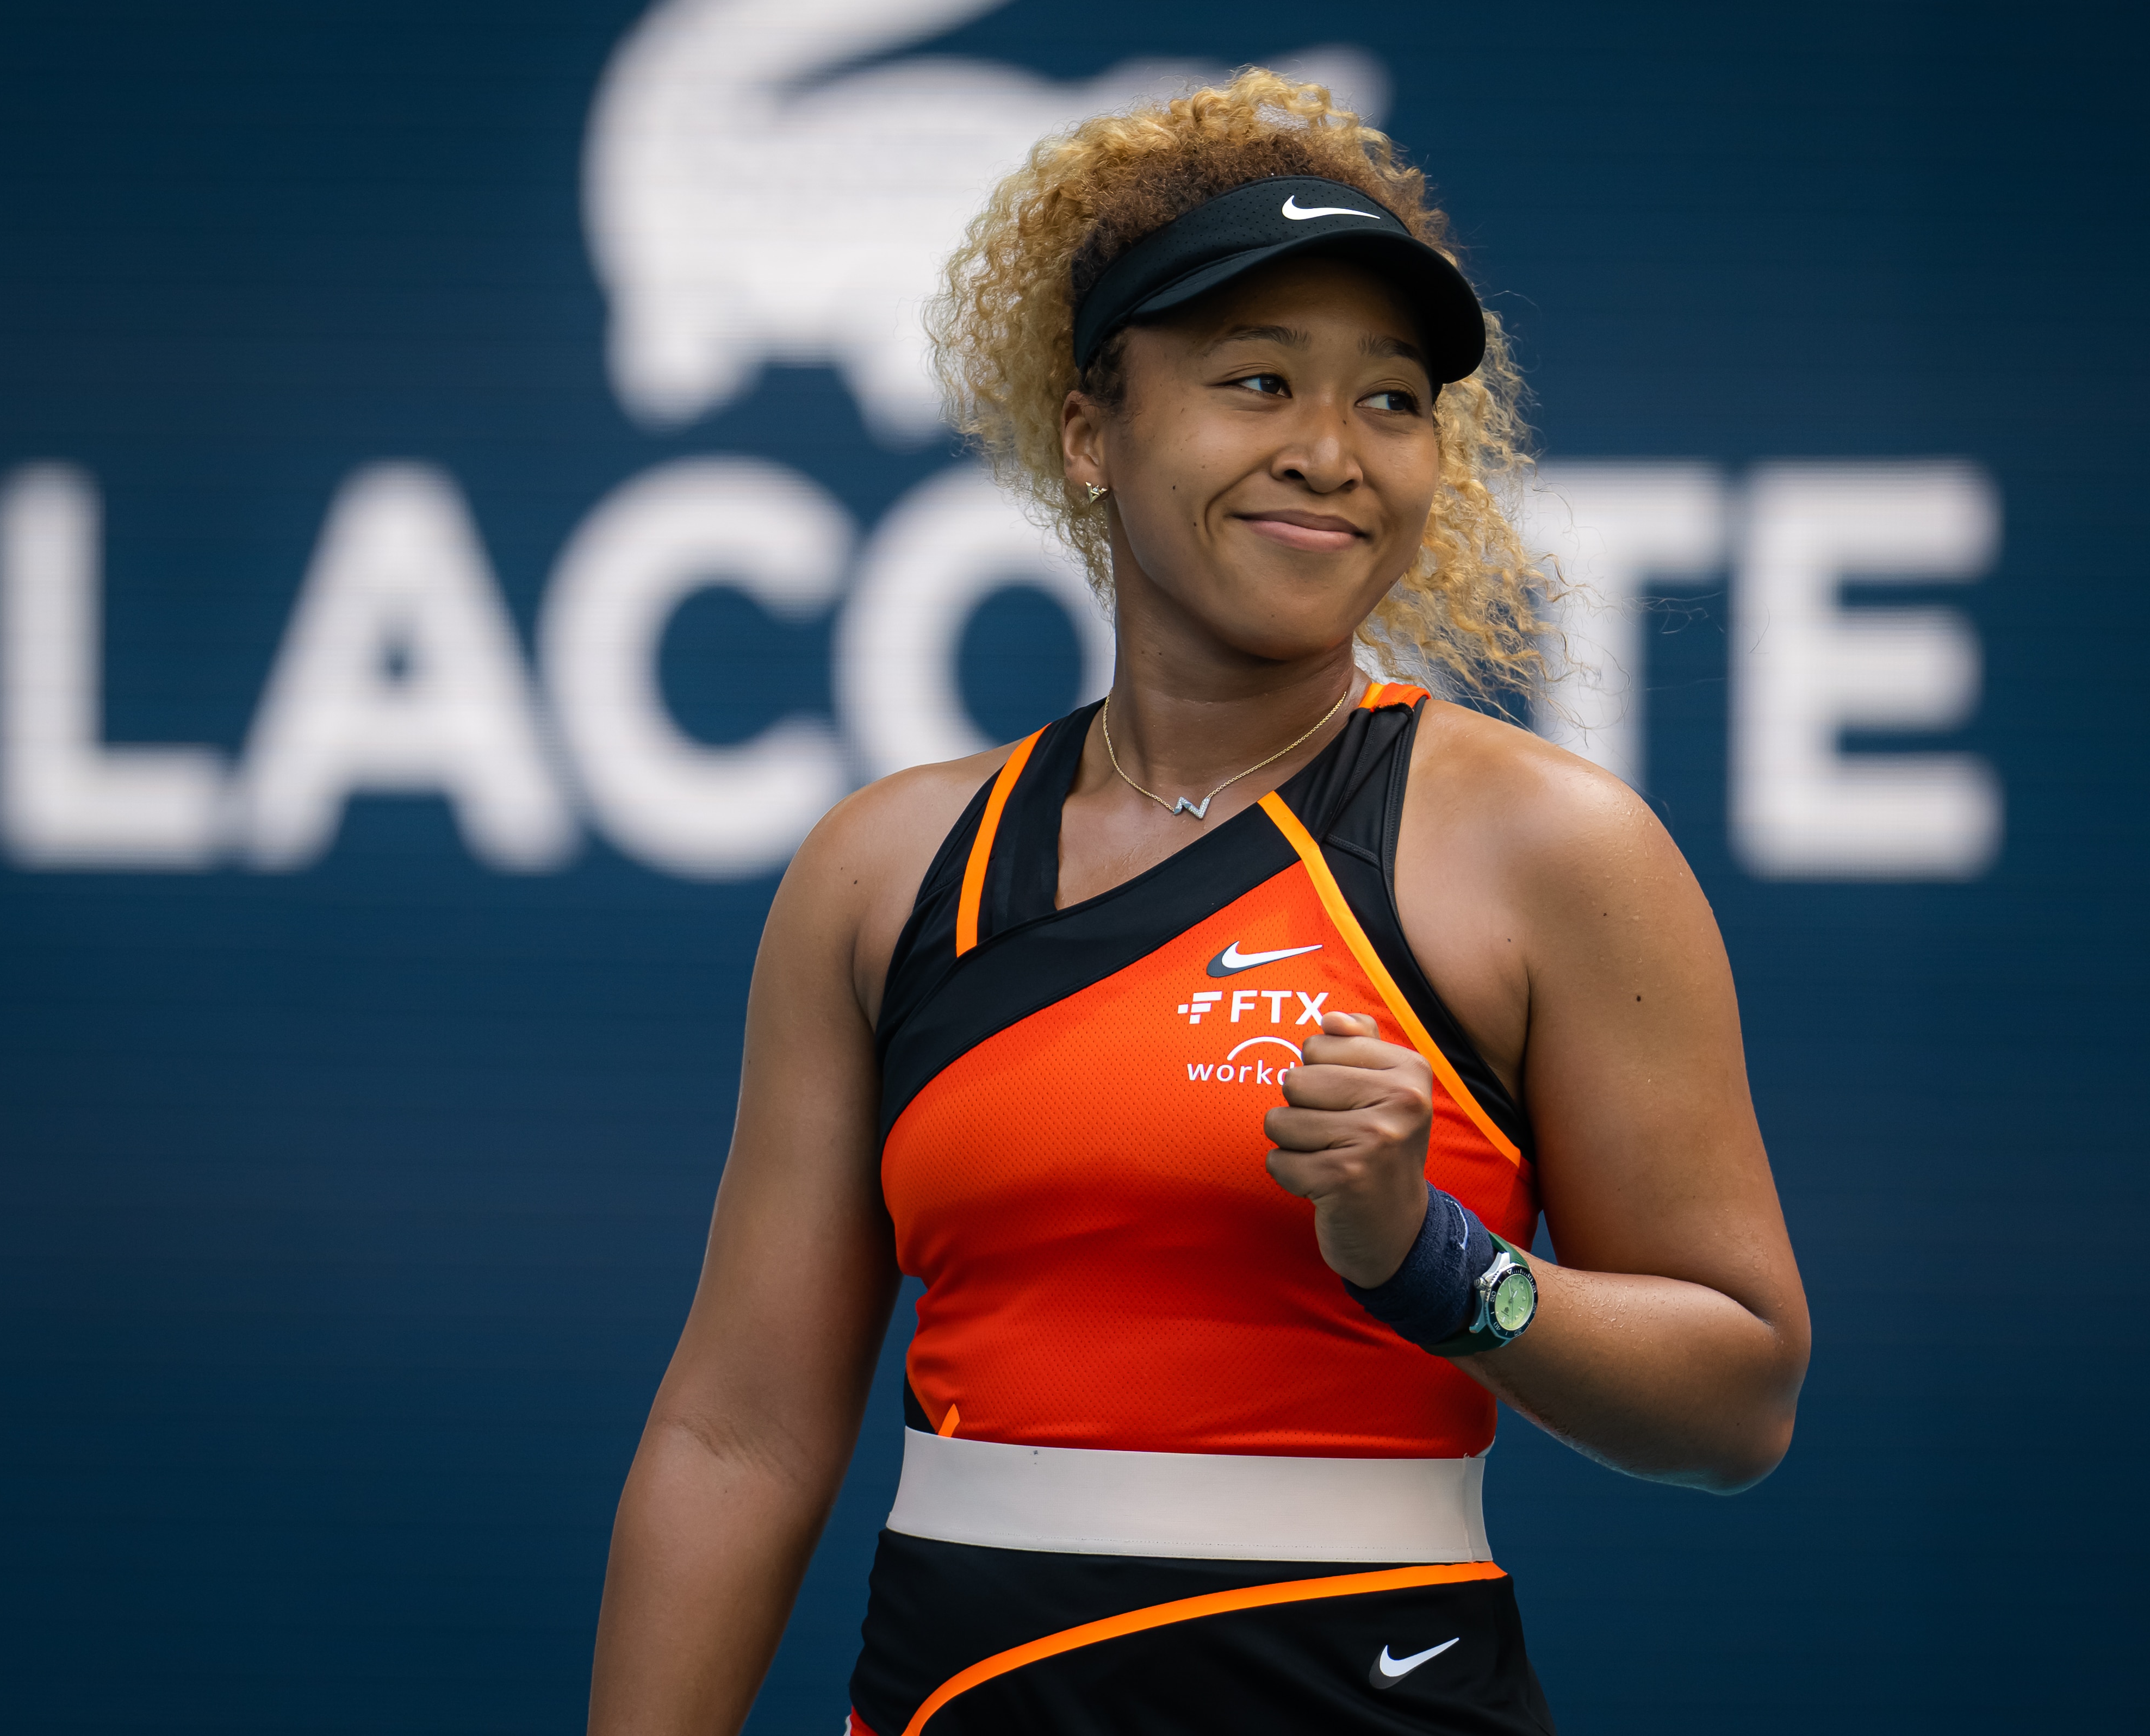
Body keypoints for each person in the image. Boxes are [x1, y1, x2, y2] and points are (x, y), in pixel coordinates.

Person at [587, 69, 1809, 1736]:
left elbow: (1737, 1398)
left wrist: (1438, 1261)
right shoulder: (888, 873)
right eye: (1257, 381)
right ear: (1090, 428)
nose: (1330, 452)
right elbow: (738, 1432)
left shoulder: (1547, 846)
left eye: (1390, 400)